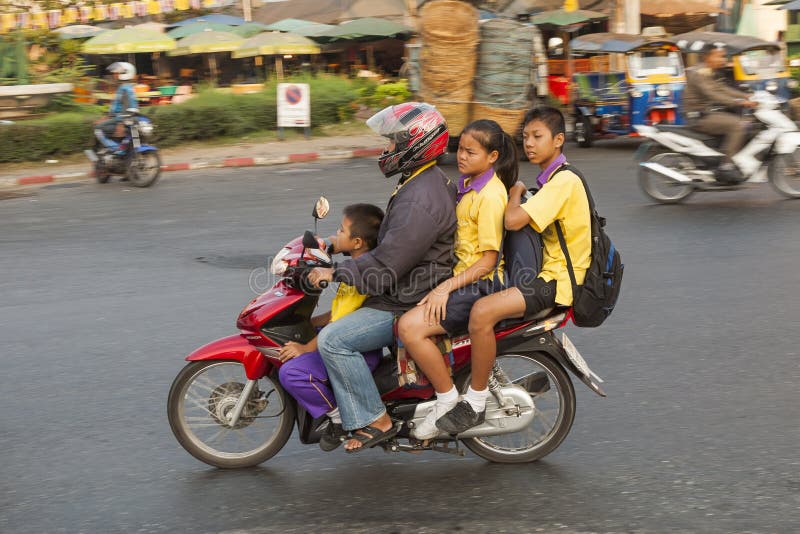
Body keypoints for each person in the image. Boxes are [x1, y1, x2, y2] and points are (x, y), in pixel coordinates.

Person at [308, 102, 457, 453]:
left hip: (403, 298)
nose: (386, 150)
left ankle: (378, 419)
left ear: (415, 145)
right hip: (406, 286)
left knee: (332, 340)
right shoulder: (420, 182)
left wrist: (335, 272)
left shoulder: (419, 200)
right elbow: (393, 243)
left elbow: (387, 265)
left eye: (392, 143)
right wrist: (335, 243)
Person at [436, 106, 591, 435]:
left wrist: (516, 191)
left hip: (557, 282)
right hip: (546, 275)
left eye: (538, 137)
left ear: (559, 140)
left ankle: (476, 402)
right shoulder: (551, 179)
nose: (530, 144)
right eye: (525, 137)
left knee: (481, 312)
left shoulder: (564, 182)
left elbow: (513, 220)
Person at [396, 119, 517, 440]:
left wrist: (443, 288)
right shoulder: (467, 185)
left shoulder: (490, 196)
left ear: (492, 157)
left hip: (483, 284)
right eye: (459, 149)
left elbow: (488, 260)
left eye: (470, 152)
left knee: (409, 327)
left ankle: (447, 399)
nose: (461, 157)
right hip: (460, 277)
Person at [277, 204, 385, 451]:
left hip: (355, 352)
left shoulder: (358, 273)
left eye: (341, 230)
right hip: (349, 338)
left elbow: (339, 326)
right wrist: (311, 322)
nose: (336, 235)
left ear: (357, 242)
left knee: (291, 374)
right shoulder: (356, 266)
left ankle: (339, 419)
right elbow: (339, 313)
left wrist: (305, 348)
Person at [683, 44, 757, 182]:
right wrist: (738, 102)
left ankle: (726, 157)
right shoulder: (699, 73)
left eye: (723, 56)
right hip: (699, 117)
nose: (723, 59)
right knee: (738, 125)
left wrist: (748, 96)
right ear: (707, 57)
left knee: (745, 122)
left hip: (706, 113)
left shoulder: (709, 71)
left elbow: (723, 89)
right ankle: (726, 166)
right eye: (719, 56)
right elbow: (712, 94)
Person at [94, 62, 139, 154]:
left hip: (120, 119)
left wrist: (120, 123)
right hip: (117, 118)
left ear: (125, 74)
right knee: (98, 124)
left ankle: (117, 149)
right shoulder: (124, 87)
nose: (114, 74)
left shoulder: (126, 89)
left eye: (117, 72)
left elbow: (129, 109)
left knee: (98, 128)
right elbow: (117, 108)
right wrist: (106, 117)